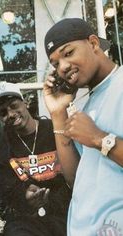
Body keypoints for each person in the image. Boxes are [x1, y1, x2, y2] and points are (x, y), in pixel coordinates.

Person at [43, 18, 123, 235]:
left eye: (68, 53)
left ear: (94, 43)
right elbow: (74, 179)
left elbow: (99, 140)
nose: (63, 67)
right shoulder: (84, 107)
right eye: (55, 63)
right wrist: (58, 114)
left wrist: (100, 138)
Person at [0, 81, 71, 236]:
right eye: (3, 112)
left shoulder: (53, 129)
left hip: (64, 211)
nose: (11, 114)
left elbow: (76, 172)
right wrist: (25, 195)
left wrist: (53, 200)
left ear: (25, 102)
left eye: (14, 106)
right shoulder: (2, 148)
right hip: (26, 219)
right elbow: (7, 191)